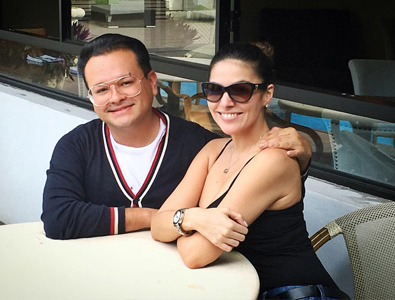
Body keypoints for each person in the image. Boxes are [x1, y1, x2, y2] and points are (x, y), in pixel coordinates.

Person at [41, 34, 312, 240]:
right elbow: (58, 218)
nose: (115, 98)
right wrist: (151, 217)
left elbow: (260, 181)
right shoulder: (76, 145)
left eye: (126, 83)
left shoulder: (198, 144)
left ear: (151, 81)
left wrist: (302, 158)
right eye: (101, 90)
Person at [151, 42, 349, 300]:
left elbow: (195, 254)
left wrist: (179, 223)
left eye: (240, 90)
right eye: (214, 90)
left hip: (296, 294)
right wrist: (194, 219)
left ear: (267, 95)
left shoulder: (274, 160)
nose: (224, 102)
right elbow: (157, 225)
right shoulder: (214, 150)